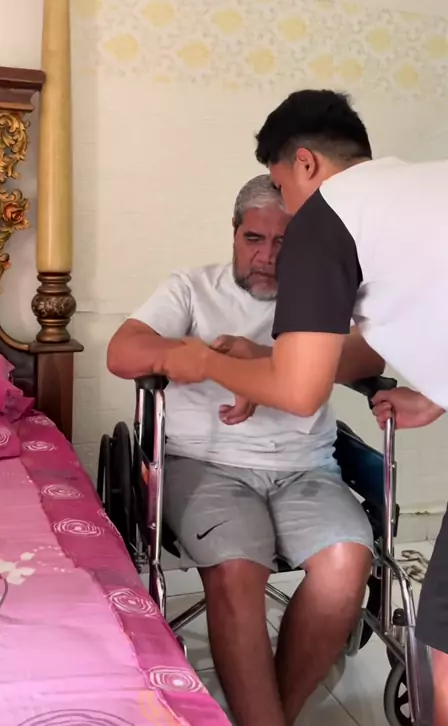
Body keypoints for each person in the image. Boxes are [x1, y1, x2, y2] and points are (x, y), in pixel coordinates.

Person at [157, 91, 448, 726]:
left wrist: (207, 362)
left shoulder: (326, 216)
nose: (286, 214)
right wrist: (435, 392)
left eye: (284, 188)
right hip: (210, 467)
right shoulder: (425, 188)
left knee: (444, 659)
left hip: (303, 467)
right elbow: (393, 332)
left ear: (307, 164)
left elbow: (300, 390)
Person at [107, 174, 384, 726]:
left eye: (285, 243)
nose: (267, 256)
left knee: (348, 563)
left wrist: (263, 364)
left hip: (305, 468)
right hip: (204, 464)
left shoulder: (324, 298)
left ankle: (271, 715)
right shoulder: (192, 288)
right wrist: (201, 358)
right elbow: (123, 352)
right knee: (237, 566)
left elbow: (369, 358)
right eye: (254, 238)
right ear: (234, 233)